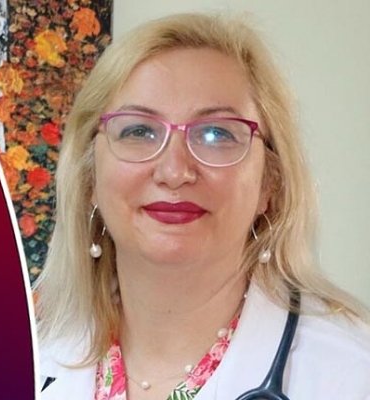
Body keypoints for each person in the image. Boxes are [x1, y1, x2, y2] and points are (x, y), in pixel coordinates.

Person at [34, 13, 370, 400]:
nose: (174, 172)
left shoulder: (352, 375)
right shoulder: (19, 358)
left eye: (216, 134)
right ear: (89, 176)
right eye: (139, 130)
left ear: (270, 182)